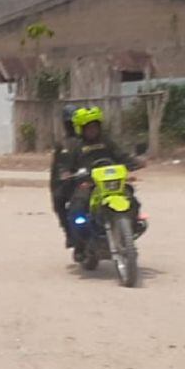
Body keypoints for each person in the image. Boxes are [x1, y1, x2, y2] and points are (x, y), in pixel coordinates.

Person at [63, 107, 146, 259]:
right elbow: (67, 165)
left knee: (130, 196)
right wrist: (67, 173)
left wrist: (135, 162)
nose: (92, 130)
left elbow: (122, 156)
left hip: (111, 182)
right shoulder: (75, 146)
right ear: (81, 129)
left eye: (95, 126)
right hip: (88, 184)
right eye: (88, 127)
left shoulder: (107, 142)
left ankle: (134, 224)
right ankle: (80, 244)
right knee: (77, 206)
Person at [50, 105, 81, 247]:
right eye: (69, 123)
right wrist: (57, 185)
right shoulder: (62, 144)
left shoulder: (90, 139)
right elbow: (56, 168)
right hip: (71, 182)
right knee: (58, 200)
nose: (72, 126)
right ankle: (69, 233)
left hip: (92, 179)